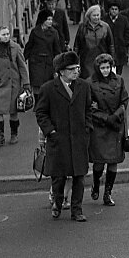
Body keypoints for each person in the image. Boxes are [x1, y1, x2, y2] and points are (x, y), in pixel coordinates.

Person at [35, 51, 92, 222]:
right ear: (61, 71)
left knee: (79, 177)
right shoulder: (48, 89)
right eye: (72, 69)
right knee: (58, 177)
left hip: (79, 140)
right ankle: (57, 203)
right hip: (58, 141)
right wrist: (50, 131)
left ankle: (77, 210)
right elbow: (41, 113)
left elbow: (88, 109)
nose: (76, 71)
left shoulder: (83, 87)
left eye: (77, 68)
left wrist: (87, 128)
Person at [88, 53, 129, 206]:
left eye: (107, 67)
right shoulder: (90, 83)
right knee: (99, 162)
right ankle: (96, 184)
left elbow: (124, 101)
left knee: (113, 161)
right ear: (97, 68)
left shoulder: (119, 80)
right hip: (99, 127)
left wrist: (116, 115)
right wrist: (106, 118)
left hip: (116, 125)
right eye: (102, 67)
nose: (105, 70)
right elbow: (89, 108)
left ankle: (108, 193)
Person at [24, 9, 62, 97]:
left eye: (51, 19)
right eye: (48, 19)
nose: (50, 22)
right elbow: (29, 46)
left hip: (48, 63)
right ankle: (38, 105)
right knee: (37, 85)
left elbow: (57, 50)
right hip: (36, 62)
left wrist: (59, 65)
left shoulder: (54, 33)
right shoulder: (35, 31)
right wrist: (24, 58)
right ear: (43, 20)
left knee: (47, 85)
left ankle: (45, 105)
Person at [73, 5, 114, 79]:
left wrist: (112, 60)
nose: (96, 17)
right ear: (89, 16)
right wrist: (74, 61)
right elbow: (77, 45)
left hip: (102, 59)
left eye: (98, 15)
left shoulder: (106, 27)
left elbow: (110, 45)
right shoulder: (82, 27)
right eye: (94, 15)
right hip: (86, 60)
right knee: (88, 81)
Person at [104, 0, 129, 75]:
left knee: (119, 70)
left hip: (120, 48)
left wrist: (125, 42)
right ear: (109, 9)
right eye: (112, 9)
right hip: (107, 48)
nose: (114, 11)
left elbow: (127, 32)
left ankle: (117, 84)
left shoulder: (123, 19)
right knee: (108, 69)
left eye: (116, 9)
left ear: (119, 10)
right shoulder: (104, 19)